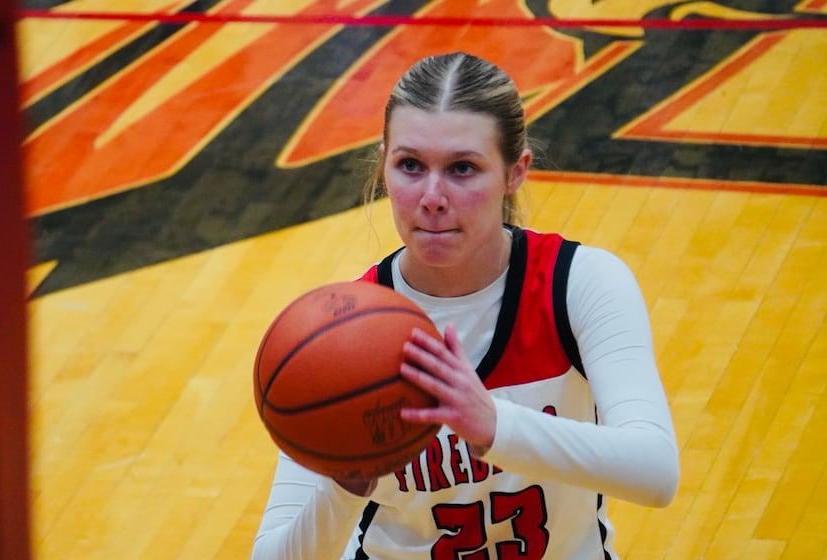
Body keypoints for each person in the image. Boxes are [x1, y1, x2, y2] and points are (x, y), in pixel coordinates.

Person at [252, 51, 679, 560]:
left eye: (462, 168)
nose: (432, 196)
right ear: (384, 164)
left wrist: (495, 425)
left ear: (515, 172)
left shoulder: (577, 283)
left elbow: (657, 470)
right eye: (410, 165)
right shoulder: (340, 335)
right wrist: (344, 489)